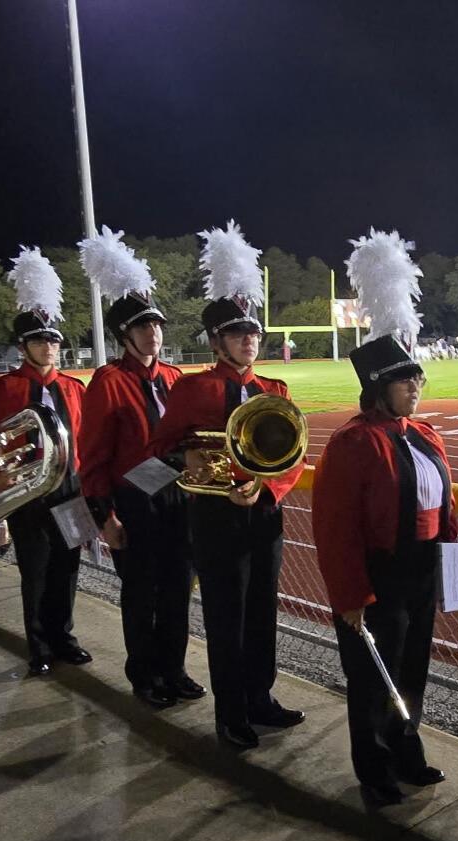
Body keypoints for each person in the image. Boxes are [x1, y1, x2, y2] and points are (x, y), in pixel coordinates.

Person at [313, 228, 458, 807]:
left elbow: (443, 507)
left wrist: (451, 566)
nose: (416, 385)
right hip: (378, 575)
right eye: (405, 378)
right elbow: (335, 530)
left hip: (421, 569)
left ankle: (407, 750)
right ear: (378, 386)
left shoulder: (425, 435)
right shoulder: (352, 442)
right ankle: (374, 767)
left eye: (418, 376)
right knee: (373, 675)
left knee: (412, 667)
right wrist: (350, 595)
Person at [148, 221, 305, 748]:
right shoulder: (193, 390)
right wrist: (186, 457)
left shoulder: (274, 389)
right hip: (215, 517)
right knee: (225, 616)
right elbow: (160, 448)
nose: (249, 341)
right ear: (216, 341)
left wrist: (268, 489)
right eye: (238, 334)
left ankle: (261, 698)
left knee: (262, 610)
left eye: (253, 333)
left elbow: (293, 457)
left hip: (263, 514)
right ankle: (230, 713)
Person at [79, 227, 203, 709]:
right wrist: (104, 517)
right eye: (143, 327)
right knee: (141, 595)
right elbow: (94, 457)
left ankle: (174, 669)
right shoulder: (108, 382)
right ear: (124, 335)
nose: (154, 333)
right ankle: (145, 675)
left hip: (178, 498)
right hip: (135, 502)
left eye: (157, 326)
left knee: (177, 590)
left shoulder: (174, 377)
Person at [0, 247, 91, 675]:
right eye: (41, 340)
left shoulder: (75, 389)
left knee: (68, 567)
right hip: (28, 493)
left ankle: (65, 638)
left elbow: (87, 440)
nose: (50, 347)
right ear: (23, 346)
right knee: (37, 571)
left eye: (54, 340)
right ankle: (40, 647)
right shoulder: (2, 389)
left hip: (71, 488)